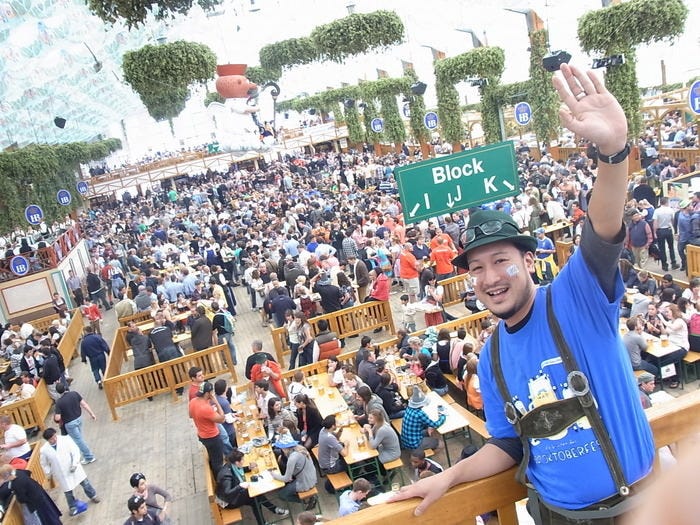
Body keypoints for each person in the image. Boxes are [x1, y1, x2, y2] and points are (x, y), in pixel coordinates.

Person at [391, 64, 655, 522]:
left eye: (501, 260)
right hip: (554, 514)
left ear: (529, 261)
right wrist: (450, 476)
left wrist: (613, 153)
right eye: (477, 268)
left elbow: (602, 228)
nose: (490, 277)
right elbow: (510, 444)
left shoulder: (575, 297)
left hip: (634, 510)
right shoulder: (492, 356)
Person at [216, 449, 288, 525]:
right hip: (228, 502)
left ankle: (269, 515)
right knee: (255, 498)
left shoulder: (231, 465)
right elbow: (227, 493)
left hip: (232, 495)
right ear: (237, 462)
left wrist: (248, 468)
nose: (244, 461)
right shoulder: (226, 476)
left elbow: (239, 470)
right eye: (242, 460)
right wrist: (240, 486)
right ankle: (272, 511)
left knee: (255, 498)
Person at [39, 428, 101, 516]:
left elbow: (75, 451)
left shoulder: (65, 439)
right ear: (47, 440)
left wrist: (74, 464)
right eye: (51, 439)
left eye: (54, 436)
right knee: (68, 491)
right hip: (61, 473)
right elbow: (44, 463)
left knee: (85, 483)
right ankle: (72, 507)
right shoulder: (44, 450)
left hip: (74, 468)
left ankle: (93, 496)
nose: (54, 439)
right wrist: (49, 472)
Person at [270, 433, 318, 510]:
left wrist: (272, 474)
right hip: (312, 476)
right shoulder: (300, 448)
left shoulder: (292, 458)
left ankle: (306, 501)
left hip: (305, 483)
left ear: (285, 448)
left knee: (282, 495)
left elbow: (286, 478)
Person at [53, 383, 97, 464]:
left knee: (79, 440)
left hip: (70, 423)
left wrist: (55, 416)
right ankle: (84, 454)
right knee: (79, 438)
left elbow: (58, 418)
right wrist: (92, 414)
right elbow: (84, 404)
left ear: (57, 392)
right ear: (65, 388)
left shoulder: (59, 402)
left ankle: (89, 457)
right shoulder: (74, 393)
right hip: (79, 418)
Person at [188, 381, 225, 475]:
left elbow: (191, 415)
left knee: (212, 456)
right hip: (212, 437)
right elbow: (222, 419)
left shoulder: (193, 401)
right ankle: (220, 477)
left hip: (202, 434)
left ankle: (215, 474)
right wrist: (216, 402)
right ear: (208, 393)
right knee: (218, 461)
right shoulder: (205, 408)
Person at [400, 387, 446, 451]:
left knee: (430, 430)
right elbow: (435, 425)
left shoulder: (408, 408)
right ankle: (425, 454)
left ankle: (430, 445)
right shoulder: (420, 414)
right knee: (441, 444)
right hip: (414, 444)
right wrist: (443, 416)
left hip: (405, 440)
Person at [211, 301, 237, 366]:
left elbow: (213, 328)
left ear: (213, 309)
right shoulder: (223, 311)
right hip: (229, 332)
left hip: (222, 334)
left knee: (223, 349)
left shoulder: (216, 317)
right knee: (231, 347)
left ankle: (227, 363)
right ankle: (234, 361)